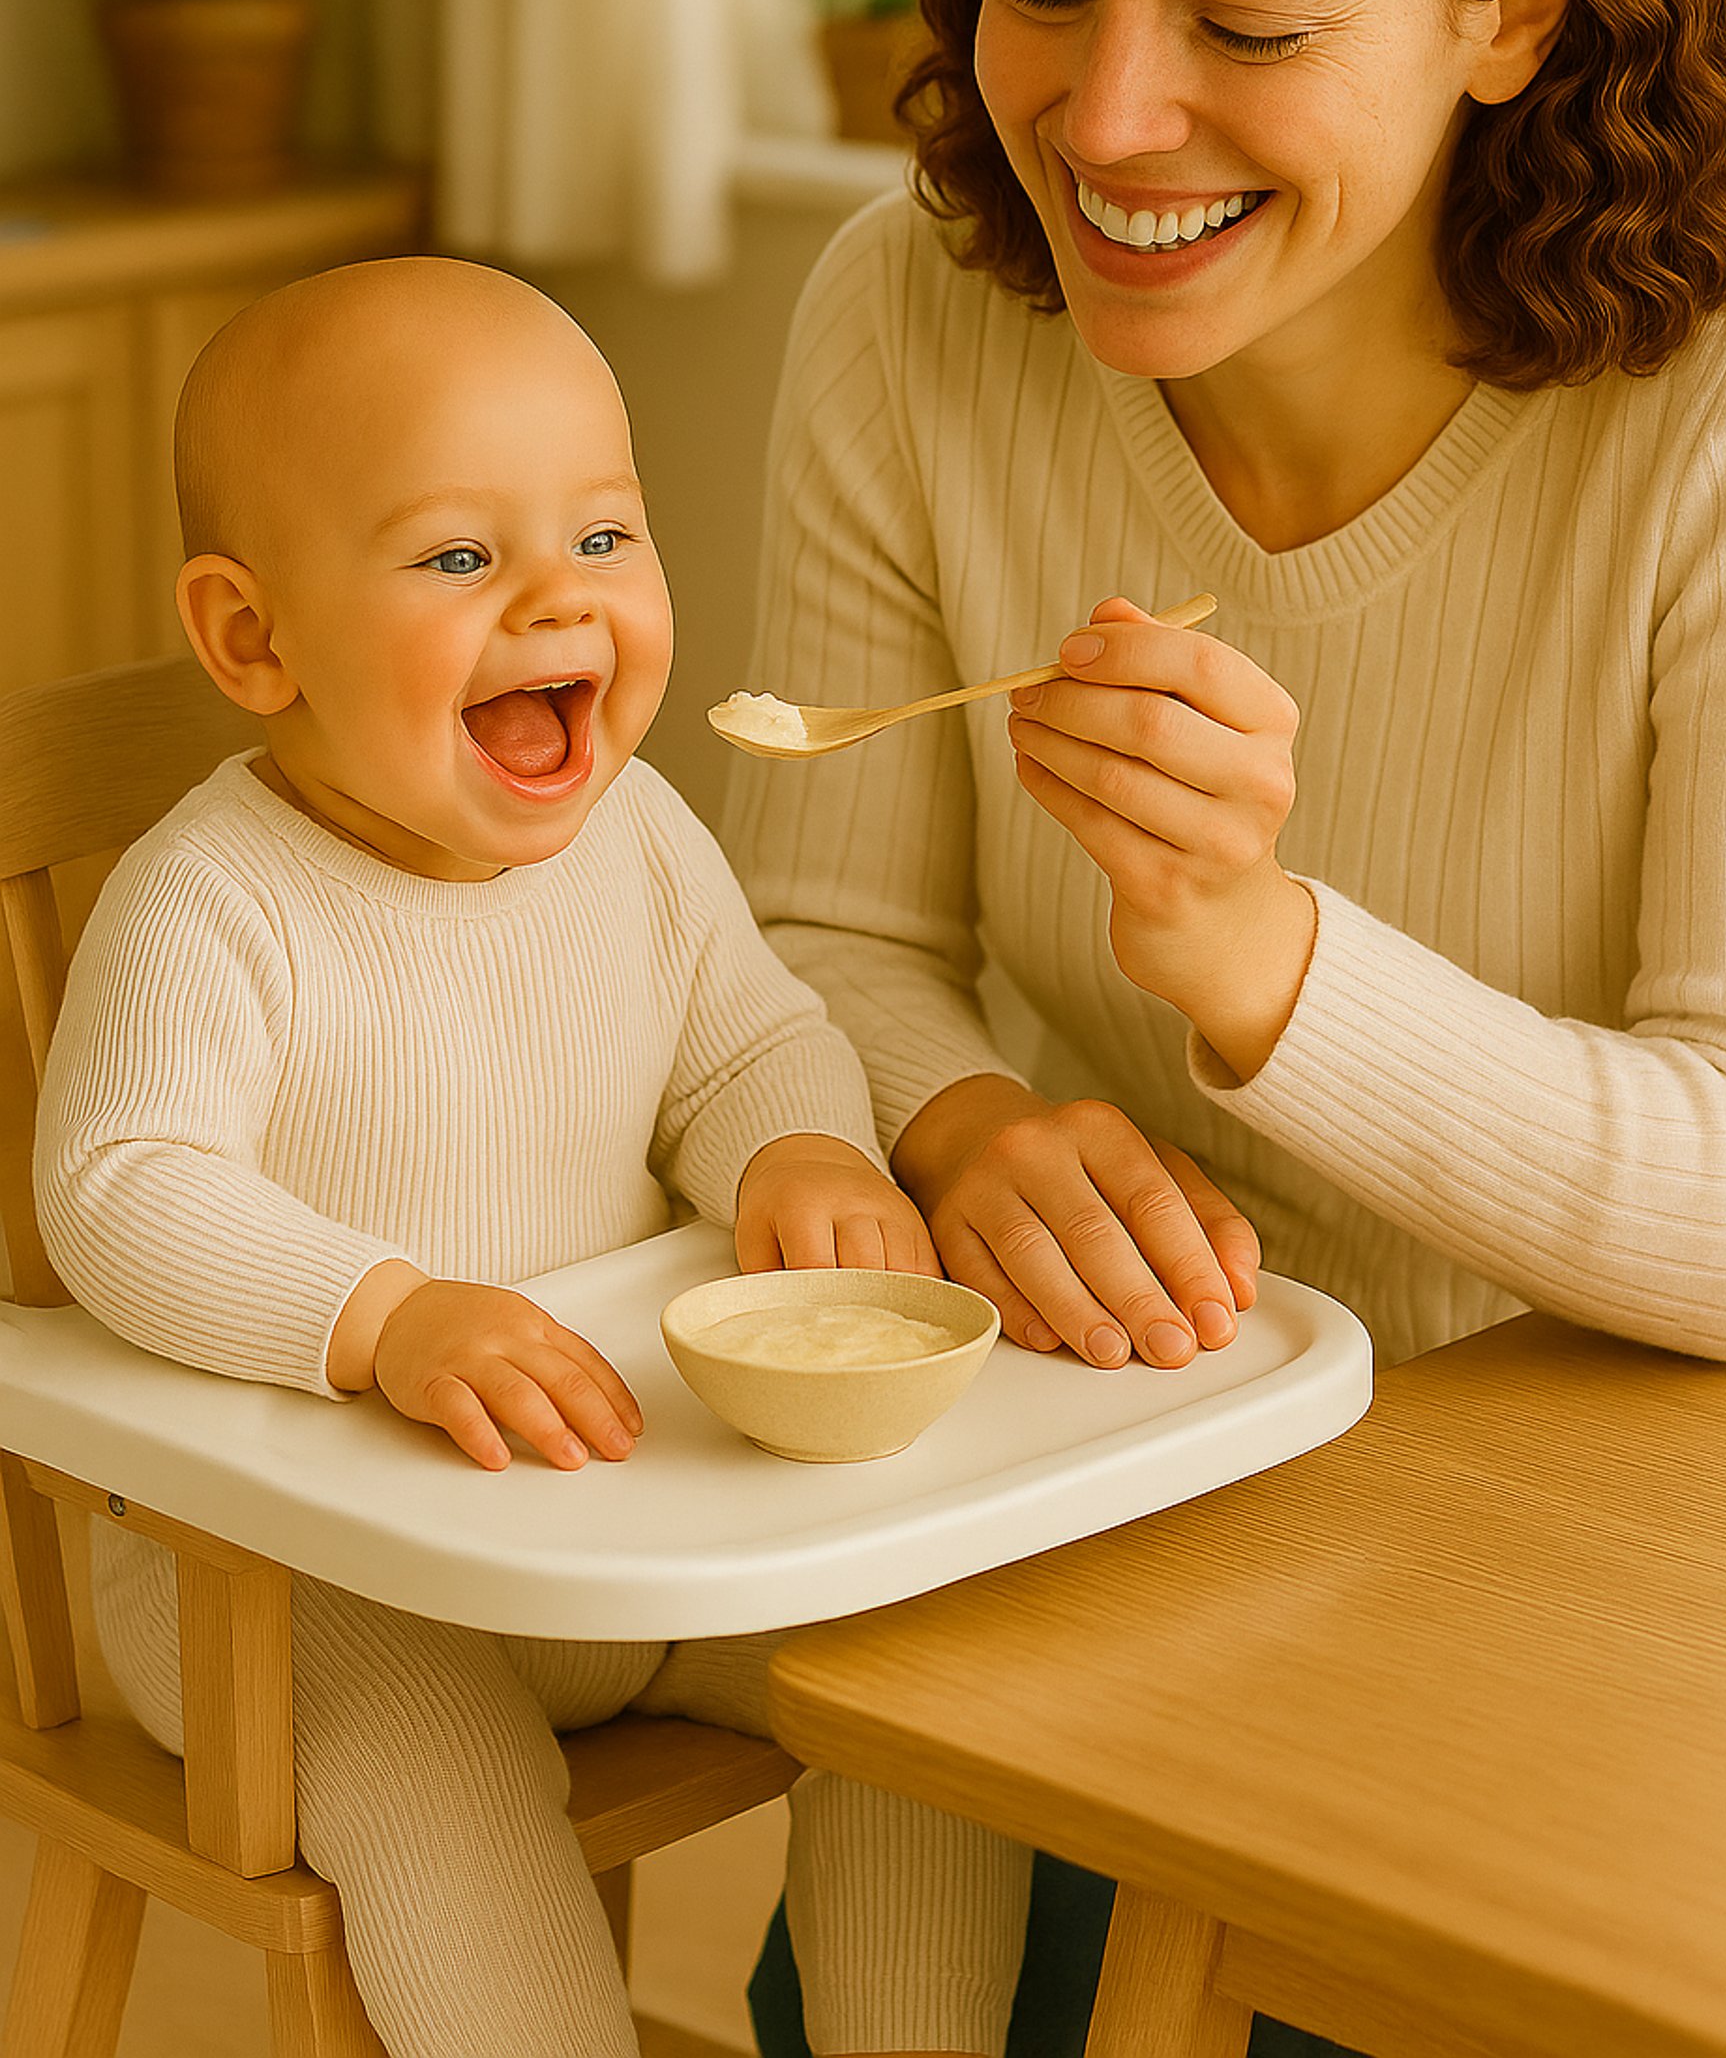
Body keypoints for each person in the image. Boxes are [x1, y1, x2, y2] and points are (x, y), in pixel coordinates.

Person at [730, 0, 1726, 2055]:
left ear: (1516, 3)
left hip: (1649, 1566)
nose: (1109, 117)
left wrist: (1264, 968)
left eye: (1246, 24)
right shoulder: (911, 317)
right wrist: (956, 1126)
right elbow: (821, 936)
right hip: (1117, 1491)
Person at [35, 256, 1030, 2058]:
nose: (557, 602)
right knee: (446, 1785)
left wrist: (792, 1143)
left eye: (604, 536)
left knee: (920, 1671)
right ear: (254, 640)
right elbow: (122, 1186)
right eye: (458, 559)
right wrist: (387, 1317)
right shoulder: (218, 902)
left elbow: (747, 1031)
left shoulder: (637, 833)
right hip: (291, 1595)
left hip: (609, 1514)